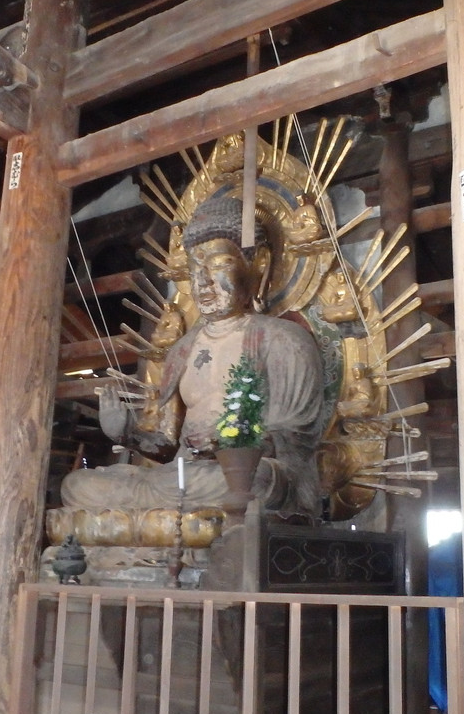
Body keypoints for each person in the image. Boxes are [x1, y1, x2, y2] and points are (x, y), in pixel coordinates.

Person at [61, 193, 325, 517]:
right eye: (195, 269)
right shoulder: (182, 350)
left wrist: (230, 441)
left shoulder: (283, 340)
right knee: (77, 486)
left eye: (218, 265)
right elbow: (166, 444)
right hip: (182, 479)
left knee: (256, 481)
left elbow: (296, 438)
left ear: (258, 264)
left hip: (242, 475)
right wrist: (127, 433)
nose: (203, 282)